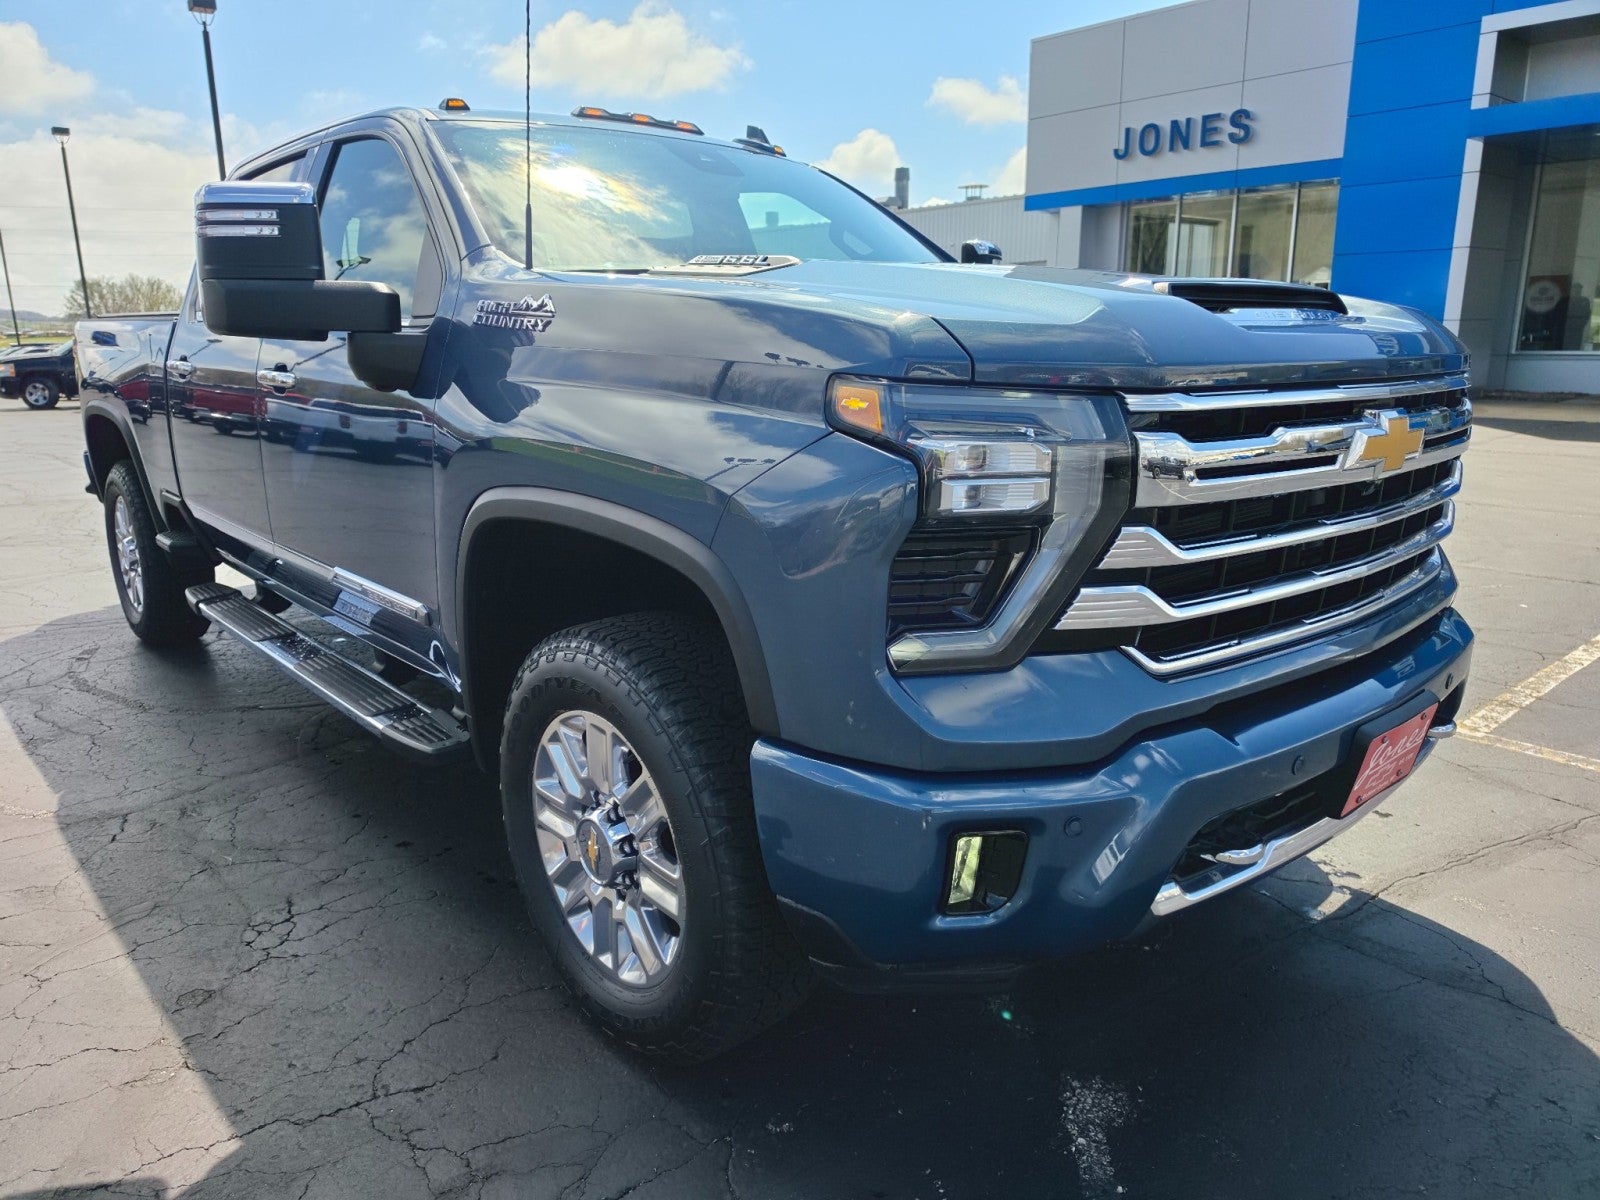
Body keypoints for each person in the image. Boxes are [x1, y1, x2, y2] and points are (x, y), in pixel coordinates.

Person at [1565, 282, 1593, 351]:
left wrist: (1581, 324)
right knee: (1565, 345)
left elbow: (1587, 313)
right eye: (1575, 289)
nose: (1577, 291)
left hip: (1578, 328)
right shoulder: (1566, 300)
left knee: (1575, 346)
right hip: (1567, 328)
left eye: (1579, 289)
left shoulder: (1584, 300)